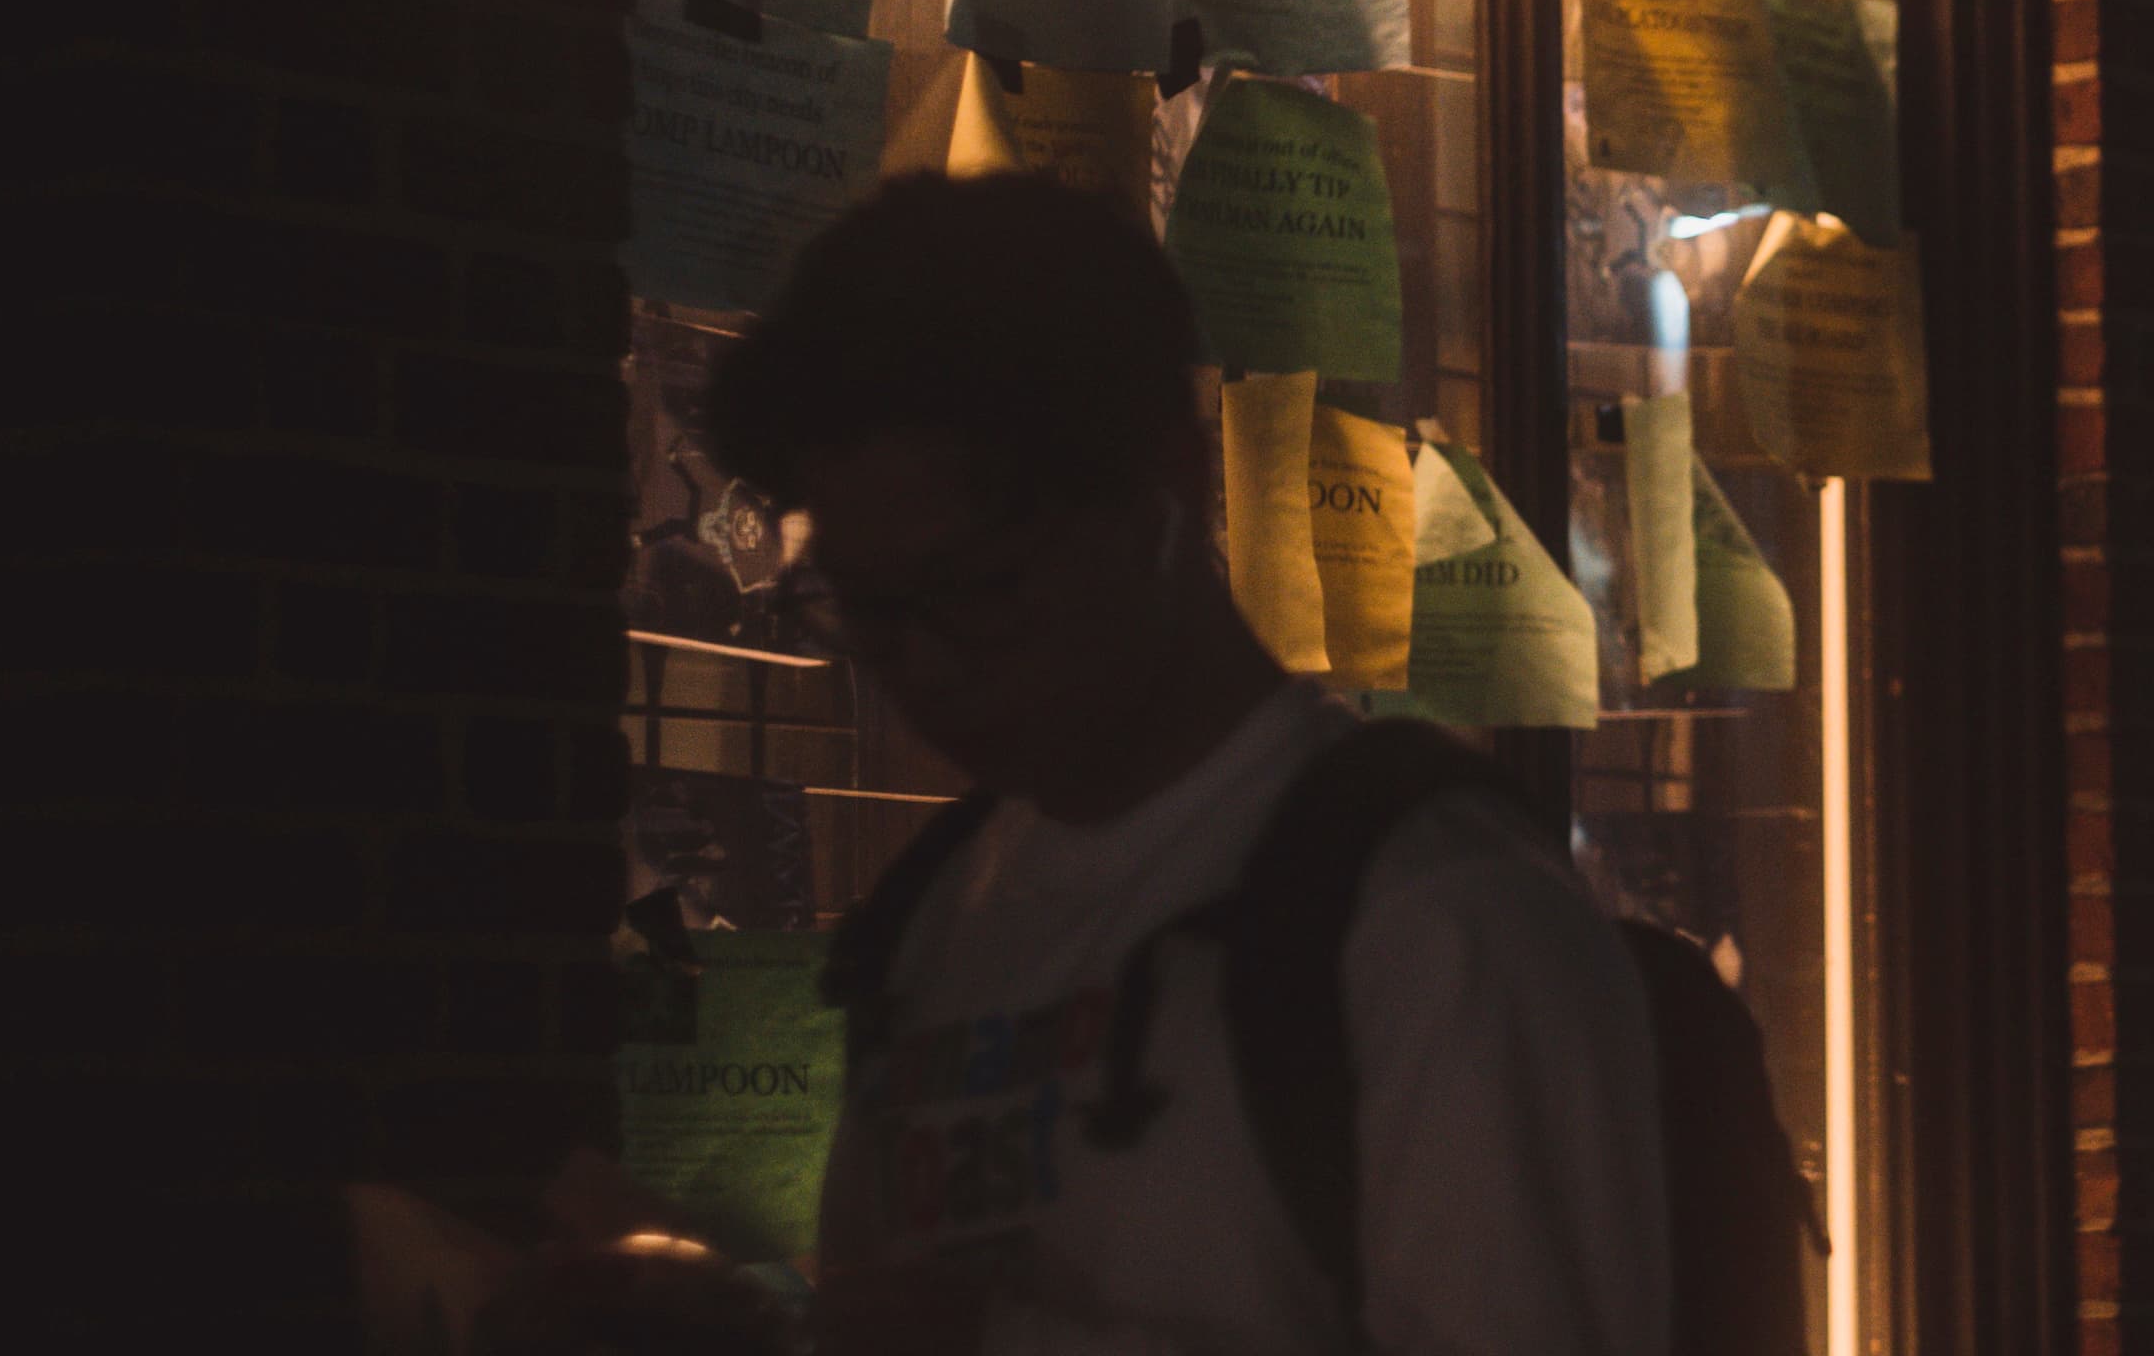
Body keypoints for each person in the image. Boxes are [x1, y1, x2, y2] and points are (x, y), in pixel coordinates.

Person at [702, 172, 1669, 1356]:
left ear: (1166, 481)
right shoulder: (929, 920)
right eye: (865, 610)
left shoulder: (1434, 918)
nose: (926, 669)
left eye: (982, 589)